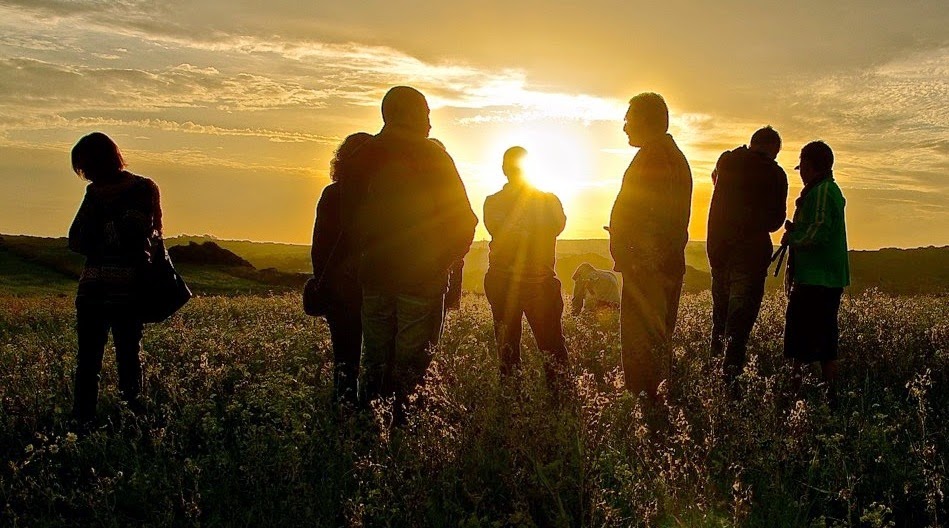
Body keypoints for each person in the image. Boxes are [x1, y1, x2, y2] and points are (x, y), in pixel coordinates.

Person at [342, 86, 478, 417]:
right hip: (422, 279)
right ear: (408, 115)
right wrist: (440, 264)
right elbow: (465, 221)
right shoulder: (433, 156)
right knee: (413, 362)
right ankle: (405, 432)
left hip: (375, 277)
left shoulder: (359, 157)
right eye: (426, 114)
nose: (430, 123)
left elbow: (348, 222)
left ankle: (369, 429)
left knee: (374, 359)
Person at [67, 132, 162, 426]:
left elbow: (133, 233)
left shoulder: (138, 188)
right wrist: (113, 231)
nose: (84, 173)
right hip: (111, 288)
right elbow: (77, 238)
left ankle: (92, 421)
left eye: (84, 165)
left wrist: (101, 233)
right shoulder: (108, 192)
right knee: (118, 359)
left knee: (100, 361)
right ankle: (123, 420)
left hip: (110, 288)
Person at [608, 92, 693, 400]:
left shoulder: (657, 156)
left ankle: (647, 410)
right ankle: (652, 409)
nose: (625, 127)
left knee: (643, 348)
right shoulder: (664, 154)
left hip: (649, 271)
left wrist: (636, 256)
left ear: (645, 120)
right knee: (652, 346)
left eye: (628, 119)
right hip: (652, 267)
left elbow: (660, 219)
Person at [707, 127, 788, 382]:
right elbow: (776, 221)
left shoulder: (727, 160)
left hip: (719, 253)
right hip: (751, 257)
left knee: (719, 320)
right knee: (738, 326)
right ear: (774, 150)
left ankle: (712, 376)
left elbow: (714, 180)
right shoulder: (776, 174)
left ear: (753, 142)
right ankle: (730, 382)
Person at [483, 146, 569, 386]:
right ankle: (561, 402)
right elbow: (557, 226)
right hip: (539, 283)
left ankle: (512, 404)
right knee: (552, 349)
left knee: (507, 351)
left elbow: (500, 231)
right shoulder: (549, 201)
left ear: (503, 170)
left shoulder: (492, 203)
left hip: (503, 282)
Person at [782, 141, 849, 405]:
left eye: (802, 167)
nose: (801, 173)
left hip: (816, 280)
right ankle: (828, 399)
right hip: (824, 280)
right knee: (824, 343)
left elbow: (819, 231)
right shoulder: (826, 190)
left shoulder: (821, 192)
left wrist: (793, 238)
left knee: (799, 343)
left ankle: (795, 398)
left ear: (809, 166)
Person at [311, 132, 373, 405]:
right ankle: (370, 412)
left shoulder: (332, 194)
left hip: (339, 291)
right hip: (374, 287)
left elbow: (319, 247)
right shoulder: (379, 197)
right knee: (376, 358)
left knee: (345, 359)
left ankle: (345, 409)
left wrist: (325, 282)